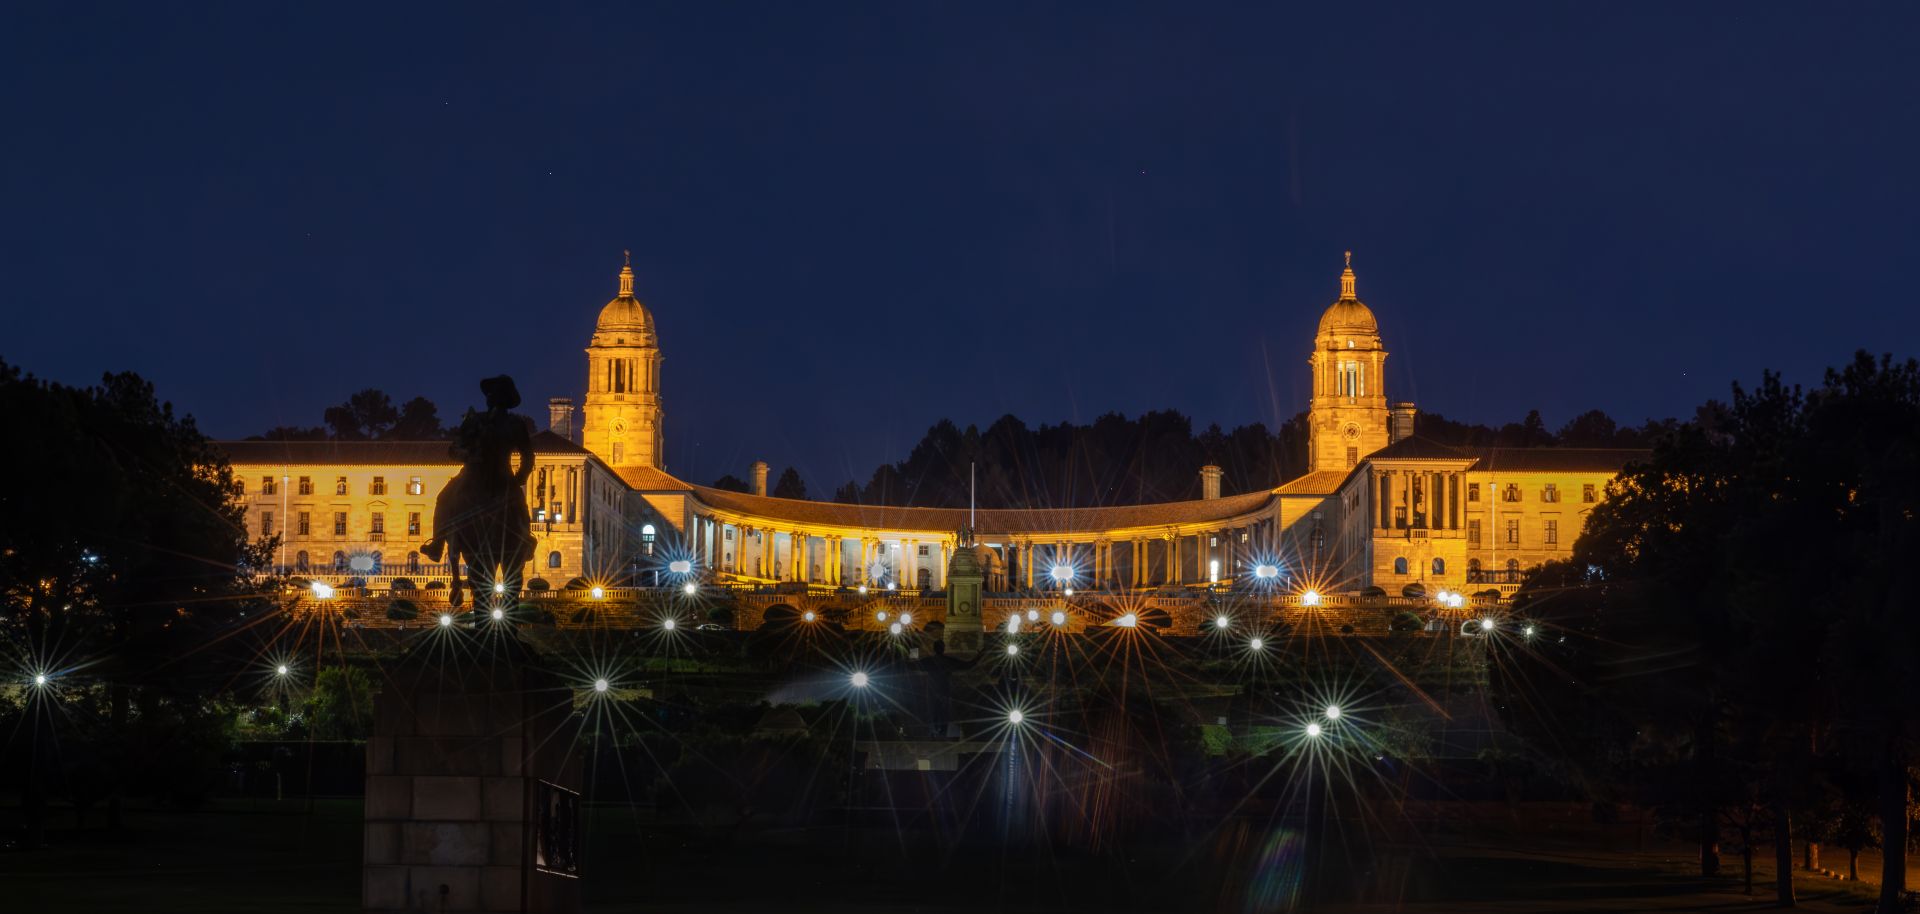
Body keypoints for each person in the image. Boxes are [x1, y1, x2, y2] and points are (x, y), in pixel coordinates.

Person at [418, 376, 536, 605]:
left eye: (493, 395)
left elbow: (527, 457)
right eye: (490, 395)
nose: (490, 399)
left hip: (488, 477)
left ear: (501, 398)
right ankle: (438, 544)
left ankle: (437, 544)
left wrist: (517, 478)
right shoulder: (487, 421)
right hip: (495, 477)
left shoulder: (500, 423)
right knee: (444, 498)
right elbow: (455, 450)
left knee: (445, 498)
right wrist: (517, 479)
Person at [920, 639, 981, 739]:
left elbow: (912, 665)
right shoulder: (948, 661)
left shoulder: (928, 661)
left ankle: (934, 734)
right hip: (944, 691)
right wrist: (978, 657)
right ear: (943, 649)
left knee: (934, 713)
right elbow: (968, 665)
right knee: (943, 714)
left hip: (932, 691)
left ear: (934, 649)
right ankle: (941, 734)